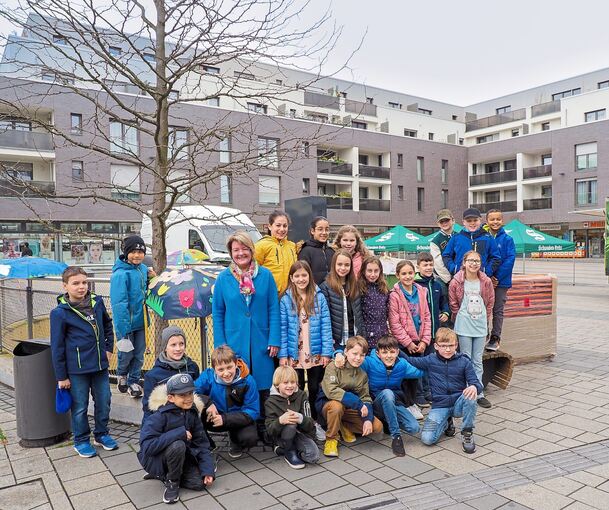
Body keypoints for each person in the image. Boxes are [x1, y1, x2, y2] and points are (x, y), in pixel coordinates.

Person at [212, 231, 280, 442]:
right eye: (236, 250)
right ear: (231, 253)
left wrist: (274, 339)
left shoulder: (265, 275)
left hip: (262, 340)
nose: (240, 253)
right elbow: (218, 313)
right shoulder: (223, 278)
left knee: (262, 384)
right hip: (235, 341)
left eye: (244, 248)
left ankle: (264, 427)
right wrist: (221, 345)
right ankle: (240, 429)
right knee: (238, 384)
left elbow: (273, 308)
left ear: (251, 250)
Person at [50, 266, 117, 458]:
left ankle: (102, 434)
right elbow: (57, 347)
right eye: (76, 283)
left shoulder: (97, 302)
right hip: (77, 369)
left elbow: (107, 324)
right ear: (65, 286)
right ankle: (80, 440)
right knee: (80, 406)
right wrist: (61, 376)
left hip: (99, 365)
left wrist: (109, 347)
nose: (81, 287)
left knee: (104, 401)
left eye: (84, 282)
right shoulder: (60, 313)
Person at [138, 373, 215, 504]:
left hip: (181, 458)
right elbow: (147, 447)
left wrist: (207, 470)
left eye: (190, 393)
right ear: (171, 398)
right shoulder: (158, 416)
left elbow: (202, 444)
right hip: (156, 459)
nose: (188, 398)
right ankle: (172, 482)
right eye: (182, 395)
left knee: (199, 484)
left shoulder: (191, 413)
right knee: (178, 444)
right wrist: (179, 433)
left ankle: (163, 475)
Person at [404, 328, 483, 454]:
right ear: (436, 346)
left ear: (456, 345)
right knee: (427, 439)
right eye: (443, 346)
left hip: (458, 404)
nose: (447, 349)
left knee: (471, 396)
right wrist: (396, 351)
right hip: (440, 406)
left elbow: (477, 384)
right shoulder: (430, 360)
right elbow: (410, 360)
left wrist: (474, 387)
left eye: (451, 346)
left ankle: (467, 433)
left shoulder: (464, 361)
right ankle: (446, 422)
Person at [279, 260, 332, 440]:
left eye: (304, 275)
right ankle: (301, 422)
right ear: (291, 278)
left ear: (310, 276)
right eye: (297, 276)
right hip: (296, 353)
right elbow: (283, 329)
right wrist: (284, 354)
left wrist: (327, 352)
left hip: (315, 351)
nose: (301, 279)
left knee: (316, 387)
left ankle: (316, 421)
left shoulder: (319, 296)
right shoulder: (286, 300)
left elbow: (326, 326)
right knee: (297, 389)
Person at [317, 336, 383, 457]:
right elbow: (331, 391)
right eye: (355, 353)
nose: (358, 358)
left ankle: (344, 424)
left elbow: (365, 398)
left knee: (377, 426)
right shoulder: (334, 366)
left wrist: (368, 419)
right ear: (346, 352)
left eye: (362, 355)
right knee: (337, 406)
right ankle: (331, 438)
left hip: (348, 408)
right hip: (328, 405)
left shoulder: (362, 375)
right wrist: (357, 403)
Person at [359, 336, 424, 456]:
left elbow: (420, 371)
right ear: (378, 353)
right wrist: (338, 354)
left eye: (392, 352)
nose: (388, 356)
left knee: (414, 427)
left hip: (394, 402)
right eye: (384, 352)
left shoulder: (402, 365)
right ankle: (396, 437)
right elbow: (353, 358)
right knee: (387, 393)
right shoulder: (370, 362)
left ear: (397, 352)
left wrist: (438, 363)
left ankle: (387, 421)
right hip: (375, 403)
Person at [194, 345, 260, 459]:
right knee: (192, 411)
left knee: (250, 438)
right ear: (214, 369)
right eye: (221, 369)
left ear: (236, 363)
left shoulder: (248, 381)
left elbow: (253, 411)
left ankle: (235, 439)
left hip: (235, 420)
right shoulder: (208, 377)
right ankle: (206, 445)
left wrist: (225, 419)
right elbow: (190, 392)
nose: (226, 373)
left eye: (229, 367)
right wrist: (208, 402)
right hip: (213, 416)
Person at [449, 250, 495, 409]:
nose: (474, 263)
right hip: (464, 325)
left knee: (477, 360)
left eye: (477, 261)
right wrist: (460, 315)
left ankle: (478, 391)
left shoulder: (486, 281)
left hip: (480, 325)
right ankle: (466, 390)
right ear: (464, 262)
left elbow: (490, 302)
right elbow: (453, 302)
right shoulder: (456, 281)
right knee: (466, 359)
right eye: (471, 260)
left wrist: (484, 318)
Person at [110, 235, 153, 398]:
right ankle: (122, 375)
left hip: (141, 321)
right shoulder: (120, 275)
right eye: (133, 252)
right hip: (125, 324)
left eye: (140, 252)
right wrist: (123, 328)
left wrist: (152, 277)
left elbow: (145, 290)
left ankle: (134, 380)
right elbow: (119, 303)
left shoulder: (142, 269)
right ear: (126, 252)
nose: (137, 255)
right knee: (126, 352)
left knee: (139, 353)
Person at [388, 259, 432, 414]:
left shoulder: (421, 291)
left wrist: (425, 340)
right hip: (404, 341)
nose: (408, 276)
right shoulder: (395, 295)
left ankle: (420, 395)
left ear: (415, 273)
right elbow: (395, 323)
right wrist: (407, 343)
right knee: (407, 370)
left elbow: (427, 316)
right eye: (404, 274)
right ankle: (410, 400)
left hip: (419, 339)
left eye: (410, 273)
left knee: (419, 368)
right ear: (398, 275)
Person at [265, 365, 320, 469]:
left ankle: (283, 449)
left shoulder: (302, 395)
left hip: (299, 433)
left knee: (313, 456)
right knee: (290, 422)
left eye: (293, 382)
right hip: (281, 434)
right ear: (277, 385)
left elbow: (310, 424)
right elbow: (269, 430)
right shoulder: (270, 402)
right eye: (285, 383)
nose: (290, 386)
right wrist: (280, 421)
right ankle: (289, 451)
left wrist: (300, 418)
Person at [142, 325, 200, 420]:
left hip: (190, 417)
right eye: (173, 345)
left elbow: (197, 393)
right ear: (165, 347)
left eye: (181, 344)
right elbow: (148, 408)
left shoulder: (192, 367)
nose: (178, 349)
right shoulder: (153, 375)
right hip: (167, 421)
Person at [319, 249, 365, 350]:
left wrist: (362, 336)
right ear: (333, 265)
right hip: (337, 340)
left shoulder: (355, 285)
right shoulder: (326, 287)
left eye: (347, 265)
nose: (343, 268)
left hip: (354, 337)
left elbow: (359, 314)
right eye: (339, 264)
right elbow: (325, 318)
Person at [484, 209, 516, 351]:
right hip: (484, 280)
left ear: (502, 221)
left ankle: (495, 338)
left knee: (497, 310)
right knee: (482, 309)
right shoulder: (482, 238)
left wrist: (496, 278)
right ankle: (482, 334)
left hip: (501, 282)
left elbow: (510, 260)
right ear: (487, 221)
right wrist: (488, 277)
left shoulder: (508, 239)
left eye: (498, 219)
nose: (495, 222)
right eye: (492, 219)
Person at [442, 207, 501, 278]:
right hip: (461, 278)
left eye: (475, 220)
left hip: (481, 279)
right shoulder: (456, 238)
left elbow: (496, 258)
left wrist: (486, 271)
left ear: (480, 220)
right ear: (463, 222)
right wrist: (454, 269)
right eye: (469, 221)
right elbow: (446, 256)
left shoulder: (488, 238)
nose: (472, 223)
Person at [255, 210, 297, 294]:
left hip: (290, 296)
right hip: (269, 295)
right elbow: (251, 271)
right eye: (278, 225)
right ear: (270, 226)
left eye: (285, 226)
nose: (282, 229)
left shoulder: (292, 246)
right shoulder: (260, 246)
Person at [358, 256, 390, 350]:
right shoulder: (359, 288)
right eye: (369, 271)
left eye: (376, 271)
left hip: (383, 334)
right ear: (364, 271)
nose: (372, 274)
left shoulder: (384, 288)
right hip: (366, 335)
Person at [298, 216, 335, 285]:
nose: (324, 233)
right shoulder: (306, 251)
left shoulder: (331, 251)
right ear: (312, 231)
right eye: (320, 229)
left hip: (331, 292)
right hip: (314, 293)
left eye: (327, 229)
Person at [429, 209, 456, 287]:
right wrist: (449, 279)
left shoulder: (459, 236)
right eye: (441, 221)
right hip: (442, 279)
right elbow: (438, 263)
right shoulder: (435, 241)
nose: (444, 223)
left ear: (453, 220)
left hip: (459, 276)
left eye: (447, 220)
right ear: (438, 224)